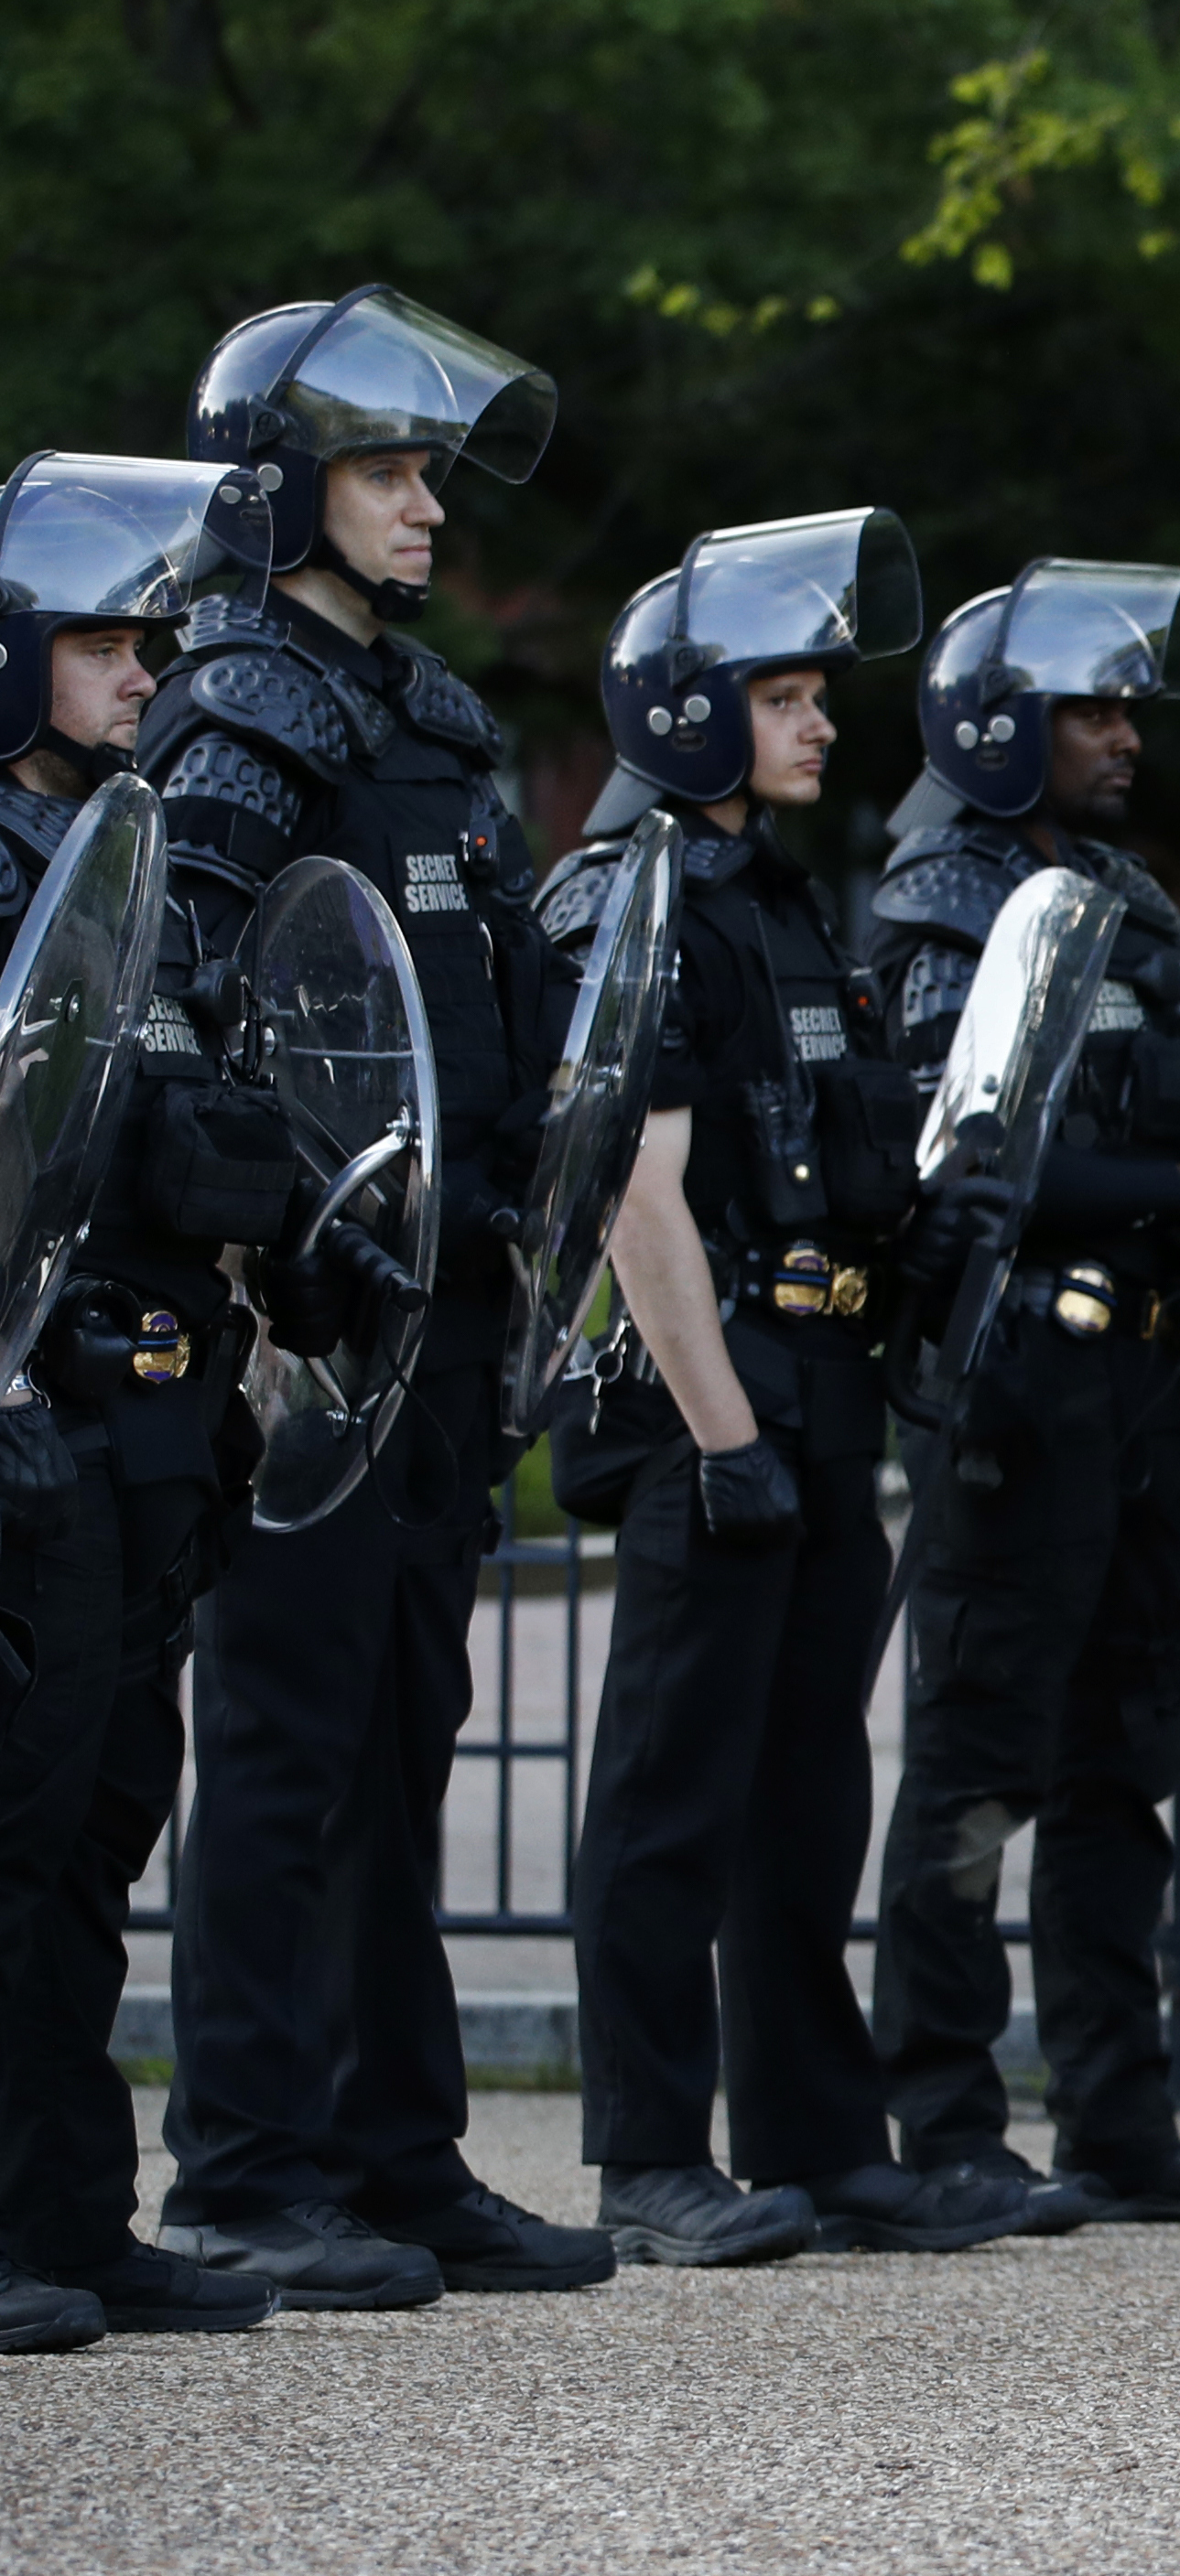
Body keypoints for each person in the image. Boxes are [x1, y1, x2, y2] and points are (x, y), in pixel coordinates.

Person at [137, 287, 618, 2312]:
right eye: (388, 470)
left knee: (407, 1727)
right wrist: (281, 1249)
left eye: (429, 473)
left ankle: (397, 2153)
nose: (426, 507)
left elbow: (496, 1004)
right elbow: (163, 1011)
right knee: (283, 1736)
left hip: (450, 1307)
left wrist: (530, 1198)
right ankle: (248, 2164)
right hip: (301, 1327)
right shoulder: (236, 707)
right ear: (279, 490)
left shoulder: (424, 715)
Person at [541, 512, 1039, 2267]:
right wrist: (721, 1429)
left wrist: (927, 1210)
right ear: (684, 710)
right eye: (782, 693)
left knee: (806, 1793)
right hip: (722, 1391)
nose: (822, 723)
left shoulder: (779, 902)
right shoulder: (638, 896)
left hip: (819, 1380)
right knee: (673, 1793)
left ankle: (818, 2141)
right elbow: (634, 1187)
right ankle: (648, 2161)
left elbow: (825, 1150)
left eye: (823, 693)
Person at [860, 559, 1180, 2226]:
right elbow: (958, 1159)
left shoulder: (1129, 900)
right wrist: (1163, 1192)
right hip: (1016, 1380)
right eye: (1090, 710)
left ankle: (1123, 2116)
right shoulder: (938, 906)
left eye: (1128, 710)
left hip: (1141, 1380)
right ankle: (949, 2117)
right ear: (995, 725)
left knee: (1127, 1760)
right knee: (980, 1759)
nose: (1125, 737)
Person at [0, 455, 298, 2348]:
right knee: (12, 1830)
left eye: (148, 633)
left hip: (155, 1406)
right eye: (105, 637)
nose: (143, 667)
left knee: (103, 1820)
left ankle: (74, 2216)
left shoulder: (140, 866)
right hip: (34, 1401)